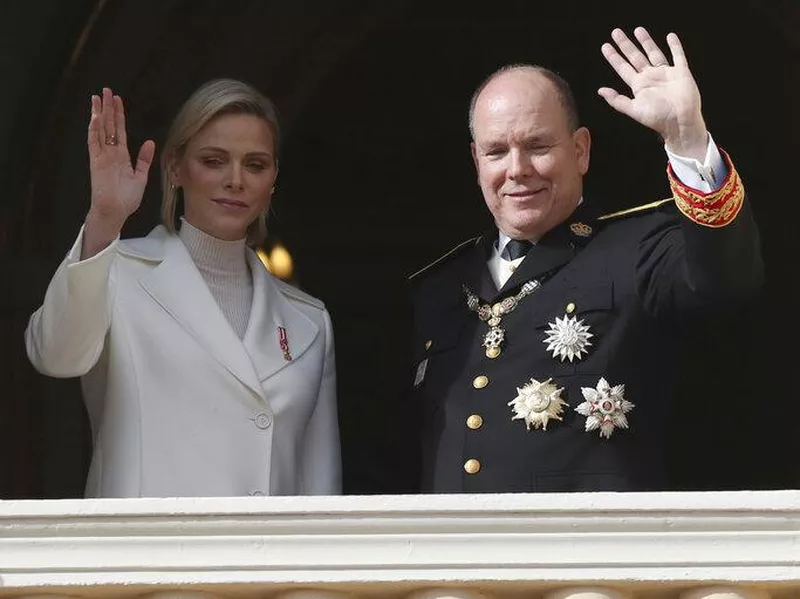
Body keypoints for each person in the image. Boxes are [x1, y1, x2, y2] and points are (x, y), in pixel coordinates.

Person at [407, 27, 763, 493]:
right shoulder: (438, 287)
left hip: (590, 558)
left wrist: (688, 140)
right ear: (477, 162)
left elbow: (724, 280)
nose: (517, 169)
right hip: (454, 558)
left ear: (580, 150)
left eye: (537, 146)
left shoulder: (637, 249)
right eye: (497, 152)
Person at [25, 79, 341, 498]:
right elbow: (55, 355)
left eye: (255, 165)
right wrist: (104, 220)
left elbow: (320, 490)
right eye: (213, 160)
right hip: (148, 558)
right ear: (175, 167)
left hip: (266, 562)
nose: (235, 180)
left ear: (273, 179)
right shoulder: (116, 271)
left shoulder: (309, 320)